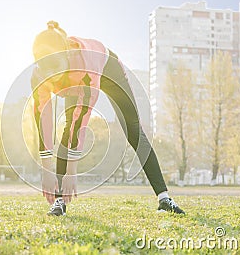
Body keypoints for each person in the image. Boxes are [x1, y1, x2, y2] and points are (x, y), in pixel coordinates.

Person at [31, 21, 185, 216]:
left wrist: (72, 171)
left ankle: (164, 198)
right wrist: (46, 170)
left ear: (67, 57)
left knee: (134, 131)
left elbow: (81, 121)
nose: (52, 78)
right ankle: (59, 202)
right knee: (67, 126)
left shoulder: (84, 67)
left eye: (57, 71)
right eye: (47, 72)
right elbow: (43, 118)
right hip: (74, 78)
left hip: (108, 70)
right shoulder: (38, 76)